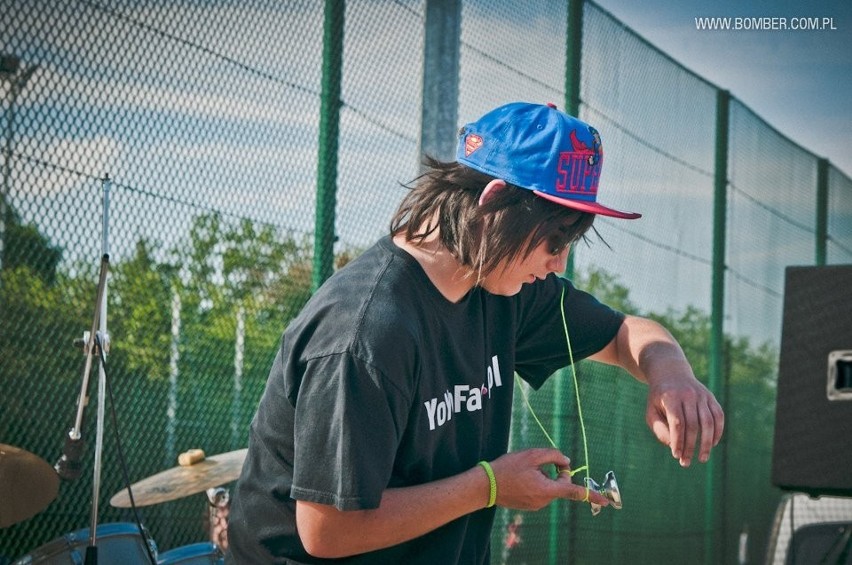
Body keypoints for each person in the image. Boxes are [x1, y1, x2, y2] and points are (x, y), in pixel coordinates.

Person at [225, 101, 725, 564]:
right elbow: (327, 529)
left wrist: (672, 375)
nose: (560, 261)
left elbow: (625, 334)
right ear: (493, 202)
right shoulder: (366, 331)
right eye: (556, 236)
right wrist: (488, 486)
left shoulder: (505, 287)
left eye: (573, 239)